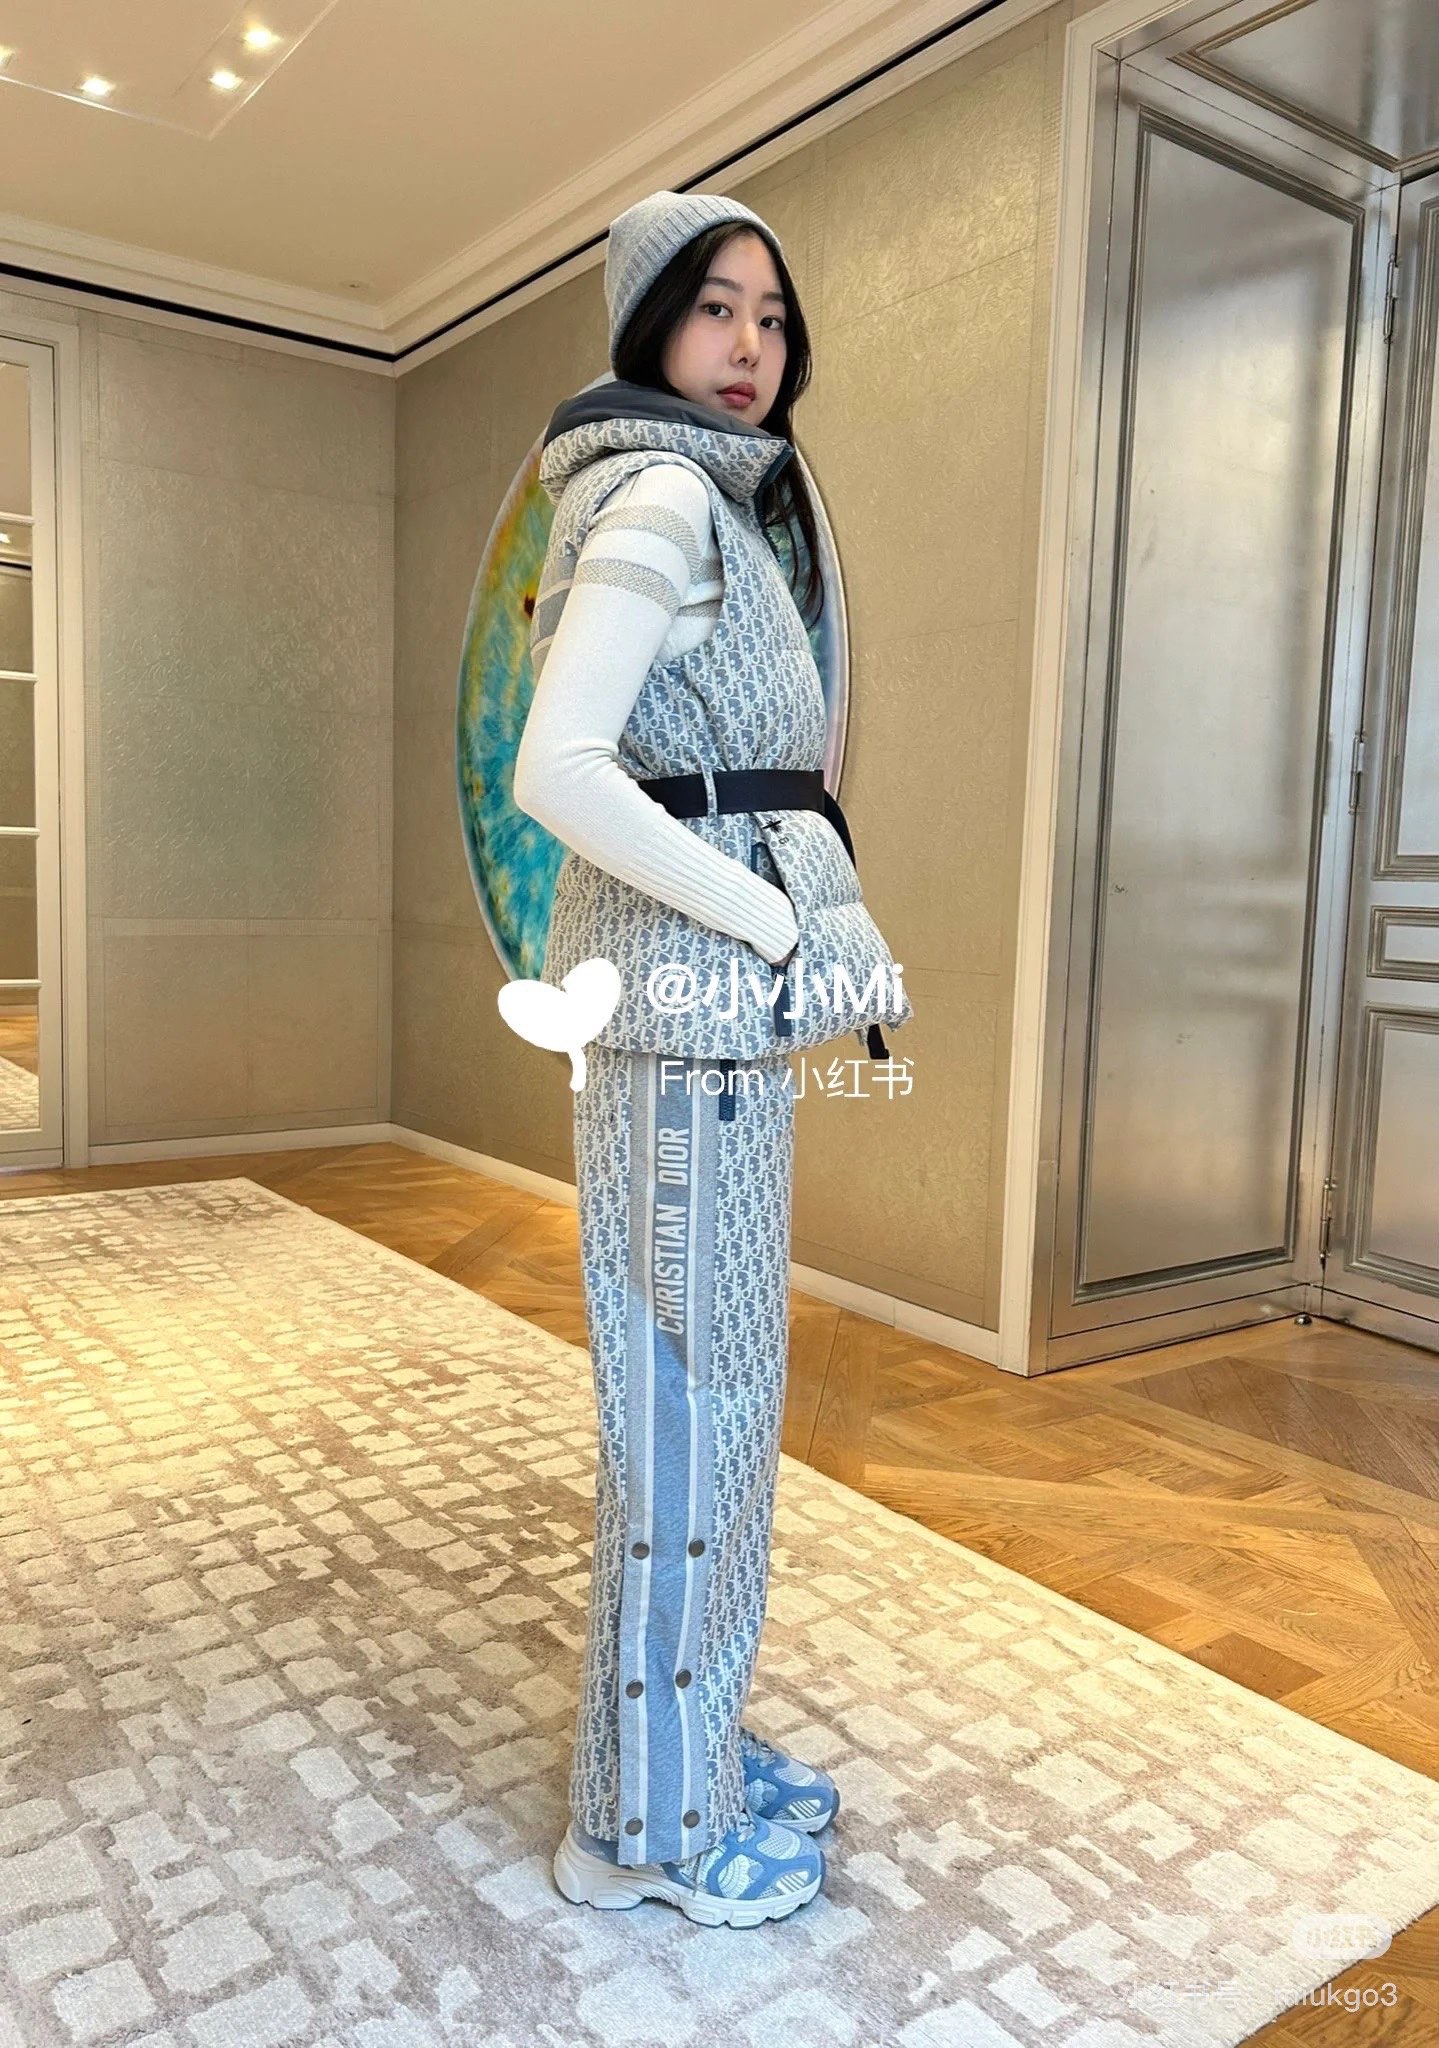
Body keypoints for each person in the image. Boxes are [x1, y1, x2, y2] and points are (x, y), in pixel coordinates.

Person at [512, 188, 912, 1928]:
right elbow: (557, 769)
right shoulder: (664, 495)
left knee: (718, 1396)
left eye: (771, 313)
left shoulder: (714, 505)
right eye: (713, 309)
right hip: (691, 1013)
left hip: (711, 1024)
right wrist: (761, 923)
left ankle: (680, 1742)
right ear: (647, 327)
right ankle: (644, 1831)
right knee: (693, 1406)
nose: (750, 344)